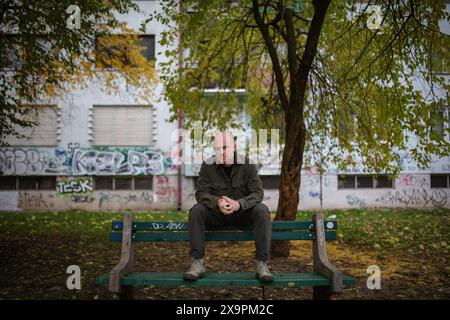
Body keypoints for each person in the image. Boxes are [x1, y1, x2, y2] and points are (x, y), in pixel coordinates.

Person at [183, 130, 273, 283]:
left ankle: (261, 265)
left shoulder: (248, 165)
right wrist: (217, 202)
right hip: (218, 215)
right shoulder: (207, 166)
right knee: (196, 210)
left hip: (242, 215)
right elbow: (201, 193)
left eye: (225, 147)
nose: (221, 152)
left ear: (235, 146)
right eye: (217, 149)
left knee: (262, 210)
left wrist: (239, 204)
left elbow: (257, 193)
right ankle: (198, 263)